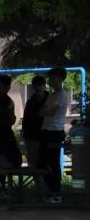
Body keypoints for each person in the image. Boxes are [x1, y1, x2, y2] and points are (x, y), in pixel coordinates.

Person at [38, 66, 70, 203]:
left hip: (55, 132)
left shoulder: (63, 95)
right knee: (41, 163)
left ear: (59, 79)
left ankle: (56, 193)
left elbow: (51, 112)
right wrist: (46, 111)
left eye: (52, 77)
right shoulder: (51, 95)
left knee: (53, 162)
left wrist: (46, 111)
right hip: (46, 131)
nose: (49, 80)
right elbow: (41, 112)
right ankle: (50, 191)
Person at [21, 74, 49, 176]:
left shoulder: (50, 99)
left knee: (46, 163)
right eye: (35, 86)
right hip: (31, 136)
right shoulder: (30, 102)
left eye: (40, 86)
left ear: (44, 86)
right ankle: (39, 187)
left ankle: (48, 187)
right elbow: (26, 119)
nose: (37, 88)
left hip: (46, 136)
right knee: (33, 164)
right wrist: (24, 133)